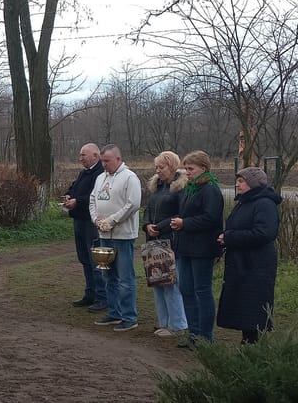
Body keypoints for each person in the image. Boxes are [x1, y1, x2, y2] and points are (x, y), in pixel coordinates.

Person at [217, 167, 281, 344]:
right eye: (237, 180)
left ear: (253, 183)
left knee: (253, 308)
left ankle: (252, 348)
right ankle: (247, 344)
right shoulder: (245, 202)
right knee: (244, 307)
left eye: (241, 181)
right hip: (241, 263)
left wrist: (230, 237)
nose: (237, 184)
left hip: (257, 265)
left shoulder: (264, 204)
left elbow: (264, 233)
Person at [170, 150, 223, 346]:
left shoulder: (210, 189)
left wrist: (185, 223)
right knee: (186, 289)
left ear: (203, 168)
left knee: (202, 290)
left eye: (191, 168)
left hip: (203, 248)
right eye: (186, 168)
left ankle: (205, 336)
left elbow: (211, 218)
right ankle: (193, 332)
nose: (187, 172)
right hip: (186, 247)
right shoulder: (190, 188)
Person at [89, 144, 142, 332]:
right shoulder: (100, 177)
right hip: (104, 233)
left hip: (123, 235)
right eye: (102, 161)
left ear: (118, 159)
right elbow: (93, 199)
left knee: (125, 277)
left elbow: (133, 204)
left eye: (107, 161)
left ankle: (129, 316)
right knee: (108, 275)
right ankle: (114, 312)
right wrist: (95, 219)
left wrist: (112, 220)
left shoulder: (130, 177)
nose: (104, 164)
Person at [142, 151, 188, 338]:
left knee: (170, 283)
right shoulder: (156, 187)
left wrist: (159, 227)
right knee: (157, 281)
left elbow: (180, 213)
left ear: (172, 166)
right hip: (153, 241)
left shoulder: (180, 188)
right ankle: (163, 321)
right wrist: (146, 226)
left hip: (170, 241)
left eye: (161, 167)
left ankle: (177, 324)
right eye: (156, 167)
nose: (158, 171)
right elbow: (147, 209)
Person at [63, 142, 107, 311]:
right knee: (84, 259)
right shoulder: (84, 173)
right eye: (80, 155)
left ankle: (101, 297)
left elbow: (94, 196)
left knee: (95, 260)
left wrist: (77, 201)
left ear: (95, 155)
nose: (80, 158)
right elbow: (74, 187)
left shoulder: (101, 174)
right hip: (79, 220)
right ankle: (90, 294)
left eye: (83, 155)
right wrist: (68, 196)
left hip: (91, 221)